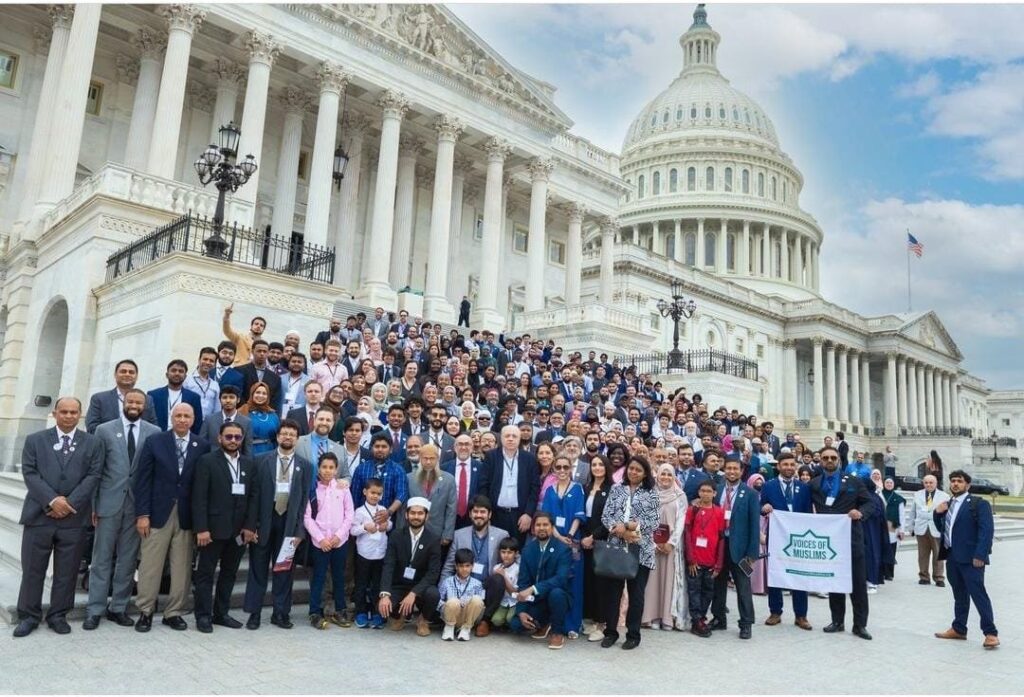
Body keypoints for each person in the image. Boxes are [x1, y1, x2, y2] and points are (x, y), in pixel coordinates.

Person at [13, 397, 103, 638]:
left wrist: (69, 503)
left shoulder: (93, 443)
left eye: (74, 412)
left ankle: (58, 615)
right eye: (64, 411)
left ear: (80, 414)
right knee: (33, 569)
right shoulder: (35, 440)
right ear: (54, 413)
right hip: (39, 515)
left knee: (67, 570)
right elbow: (30, 473)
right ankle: (29, 616)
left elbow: (94, 475)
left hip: (74, 518)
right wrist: (53, 500)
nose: (69, 416)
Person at [84, 389, 159, 630]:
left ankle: (118, 607)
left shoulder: (154, 432)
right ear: (123, 403)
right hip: (108, 502)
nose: (134, 405)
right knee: (101, 558)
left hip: (136, 506)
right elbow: (95, 470)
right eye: (130, 401)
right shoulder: (104, 430)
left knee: (127, 560)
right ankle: (94, 609)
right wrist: (94, 505)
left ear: (145, 406)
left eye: (139, 402)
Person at [132, 403, 210, 632]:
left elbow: (202, 486)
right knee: (150, 565)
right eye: (178, 415)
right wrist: (142, 514)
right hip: (157, 514)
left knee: (182, 566)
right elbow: (143, 480)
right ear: (171, 417)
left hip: (186, 516)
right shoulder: (155, 441)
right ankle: (145, 611)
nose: (183, 419)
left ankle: (173, 612)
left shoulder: (202, 446)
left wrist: (200, 522)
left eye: (187, 416)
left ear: (194, 419)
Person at [243, 419, 312, 630]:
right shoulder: (260, 460)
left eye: (292, 434)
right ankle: (254, 613)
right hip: (264, 520)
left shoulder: (305, 466)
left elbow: (303, 501)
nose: (288, 437)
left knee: (284, 570)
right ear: (278, 436)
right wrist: (250, 526)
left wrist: (300, 530)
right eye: (284, 433)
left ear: (297, 439)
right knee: (258, 568)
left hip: (289, 524)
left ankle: (281, 613)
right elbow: (252, 497)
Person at [190, 421, 257, 633]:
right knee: (205, 574)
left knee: (229, 574)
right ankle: (203, 615)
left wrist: (249, 527)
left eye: (238, 437)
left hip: (238, 532)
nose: (233, 441)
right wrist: (201, 528)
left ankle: (221, 613)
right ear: (220, 438)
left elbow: (253, 498)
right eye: (229, 437)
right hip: (212, 530)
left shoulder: (248, 464)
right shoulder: (207, 461)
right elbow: (199, 497)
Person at [809, 445, 873, 640]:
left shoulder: (854, 481)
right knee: (834, 582)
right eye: (825, 458)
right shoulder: (814, 483)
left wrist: (860, 513)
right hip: (829, 542)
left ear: (839, 460)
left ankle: (859, 625)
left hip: (851, 539)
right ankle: (837, 621)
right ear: (820, 461)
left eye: (833, 458)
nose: (829, 461)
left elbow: (869, 503)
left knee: (858, 585)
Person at [932, 470, 998, 649]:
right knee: (959, 595)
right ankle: (959, 628)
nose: (955, 484)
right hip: (952, 557)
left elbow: (987, 531)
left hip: (972, 559)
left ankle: (991, 633)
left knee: (978, 594)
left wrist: (980, 555)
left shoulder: (978, 504)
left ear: (967, 485)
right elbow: (942, 529)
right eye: (952, 481)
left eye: (959, 481)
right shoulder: (948, 504)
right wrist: (937, 514)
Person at [600, 455, 660, 650]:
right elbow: (606, 515)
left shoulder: (652, 492)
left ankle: (633, 635)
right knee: (612, 594)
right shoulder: (617, 488)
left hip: (640, 549)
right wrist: (617, 530)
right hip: (617, 547)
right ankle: (611, 632)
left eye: (638, 470)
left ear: (645, 474)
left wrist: (627, 527)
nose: (634, 472)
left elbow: (654, 521)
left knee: (636, 595)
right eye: (631, 468)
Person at [440, 495, 509, 637]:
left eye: (483, 512)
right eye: (475, 512)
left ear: (489, 514)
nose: (479, 515)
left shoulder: (501, 534)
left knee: (498, 580)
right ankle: (455, 619)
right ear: (470, 514)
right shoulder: (459, 535)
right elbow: (448, 565)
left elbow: (514, 560)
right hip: (464, 585)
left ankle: (485, 621)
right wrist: (442, 593)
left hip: (487, 585)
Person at [759, 451, 812, 629]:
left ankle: (801, 615)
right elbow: (761, 507)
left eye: (792, 465)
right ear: (779, 466)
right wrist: (763, 508)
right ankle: (775, 612)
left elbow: (807, 513)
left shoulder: (804, 488)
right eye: (785, 465)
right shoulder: (769, 486)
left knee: (799, 575)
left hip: (798, 538)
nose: (789, 468)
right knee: (776, 573)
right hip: (777, 536)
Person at [709, 456, 759, 639]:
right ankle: (718, 618)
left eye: (735, 469)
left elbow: (755, 525)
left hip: (742, 550)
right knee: (718, 584)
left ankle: (746, 623)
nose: (731, 471)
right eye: (728, 468)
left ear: (741, 471)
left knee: (743, 586)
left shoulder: (751, 494)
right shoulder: (718, 489)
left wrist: (752, 554)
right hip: (720, 546)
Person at [378, 497, 443, 637]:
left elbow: (433, 572)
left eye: (420, 513)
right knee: (382, 602)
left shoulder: (433, 539)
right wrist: (384, 594)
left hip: (421, 586)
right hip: (399, 584)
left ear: (426, 516)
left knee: (433, 594)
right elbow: (389, 564)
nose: (416, 517)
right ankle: (398, 616)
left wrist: (413, 593)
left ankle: (423, 620)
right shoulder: (396, 535)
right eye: (413, 513)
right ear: (406, 515)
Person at [305, 452, 355, 630]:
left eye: (331, 467)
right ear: (318, 468)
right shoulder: (312, 490)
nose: (327, 471)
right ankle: (314, 612)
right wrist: (321, 538)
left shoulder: (343, 489)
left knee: (339, 576)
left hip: (339, 541)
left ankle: (340, 610)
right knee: (318, 577)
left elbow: (349, 514)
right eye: (324, 467)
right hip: (320, 543)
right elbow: (307, 517)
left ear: (336, 469)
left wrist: (338, 536)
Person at [508, 512, 572, 650]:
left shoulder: (563, 549)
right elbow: (523, 583)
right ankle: (544, 623)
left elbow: (560, 579)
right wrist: (521, 611)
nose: (541, 528)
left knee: (556, 593)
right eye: (538, 525)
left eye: (545, 525)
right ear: (533, 529)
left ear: (552, 527)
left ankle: (557, 632)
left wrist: (533, 589)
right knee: (516, 625)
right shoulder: (528, 550)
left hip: (556, 597)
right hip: (536, 600)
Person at [540, 454, 586, 638]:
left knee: (574, 582)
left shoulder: (578, 489)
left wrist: (569, 535)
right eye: (558, 467)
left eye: (565, 467)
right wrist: (558, 536)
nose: (561, 471)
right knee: (554, 580)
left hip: (572, 540)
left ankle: (572, 624)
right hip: (554, 540)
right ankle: (552, 622)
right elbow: (546, 518)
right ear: (554, 469)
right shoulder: (550, 490)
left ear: (570, 469)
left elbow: (579, 514)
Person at [643, 462, 687, 631]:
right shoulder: (650, 494)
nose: (666, 477)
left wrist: (671, 543)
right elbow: (645, 519)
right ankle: (651, 616)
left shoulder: (680, 495)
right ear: (657, 476)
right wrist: (654, 543)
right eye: (663, 474)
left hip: (671, 547)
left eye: (669, 474)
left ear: (674, 476)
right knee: (652, 582)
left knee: (669, 581)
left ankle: (666, 618)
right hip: (652, 546)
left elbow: (681, 520)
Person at [479, 424, 539, 542]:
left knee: (517, 552)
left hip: (520, 516)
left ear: (519, 439)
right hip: (496, 515)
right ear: (501, 438)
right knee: (495, 550)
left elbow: (535, 488)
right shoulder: (491, 456)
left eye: (514, 436)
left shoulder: (529, 459)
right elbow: (483, 486)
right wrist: (486, 514)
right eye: (507, 436)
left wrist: (528, 514)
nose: (511, 439)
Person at [684, 481, 727, 638]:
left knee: (708, 592)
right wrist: (690, 559)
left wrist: (719, 563)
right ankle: (696, 621)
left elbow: (722, 539)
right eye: (702, 490)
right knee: (694, 590)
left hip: (711, 560)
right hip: (695, 560)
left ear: (715, 493)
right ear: (698, 492)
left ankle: (701, 617)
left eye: (709, 491)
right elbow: (687, 535)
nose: (705, 494)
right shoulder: (692, 510)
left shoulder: (720, 512)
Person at [350, 478, 392, 628]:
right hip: (364, 554)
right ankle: (360, 612)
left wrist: (386, 525)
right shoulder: (360, 511)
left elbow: (390, 524)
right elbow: (353, 530)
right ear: (365, 492)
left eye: (378, 494)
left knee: (377, 585)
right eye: (372, 493)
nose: (375, 496)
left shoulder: (383, 510)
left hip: (380, 553)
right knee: (361, 584)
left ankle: (376, 612)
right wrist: (365, 528)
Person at [581, 455, 612, 641]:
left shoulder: (612, 490)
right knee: (589, 581)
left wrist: (593, 537)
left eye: (601, 464)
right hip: (585, 541)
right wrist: (585, 538)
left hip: (602, 540)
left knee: (602, 583)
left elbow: (610, 519)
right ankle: (591, 619)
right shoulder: (586, 488)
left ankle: (602, 623)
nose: (597, 467)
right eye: (594, 464)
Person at [85, 359, 157, 433]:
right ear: (115, 375)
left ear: (136, 376)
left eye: (131, 372)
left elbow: (153, 426)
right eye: (123, 371)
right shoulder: (99, 399)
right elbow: (92, 426)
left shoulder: (147, 399)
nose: (127, 374)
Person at [406, 443, 457, 546]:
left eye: (432, 458)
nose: (428, 462)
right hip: (413, 532)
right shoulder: (409, 478)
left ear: (437, 458)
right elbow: (403, 508)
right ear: (420, 458)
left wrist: (447, 534)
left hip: (437, 534)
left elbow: (451, 509)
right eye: (425, 458)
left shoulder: (449, 480)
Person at [908, 474, 949, 586]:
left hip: (936, 528)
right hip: (921, 528)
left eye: (931, 482)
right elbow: (913, 512)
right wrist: (911, 527)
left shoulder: (944, 496)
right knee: (922, 555)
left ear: (936, 483)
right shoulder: (917, 495)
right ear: (923, 483)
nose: (928, 484)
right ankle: (924, 577)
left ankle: (939, 578)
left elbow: (946, 514)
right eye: (926, 482)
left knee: (938, 554)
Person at [439, 548, 486, 641]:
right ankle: (449, 628)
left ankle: (466, 629)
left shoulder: (477, 583)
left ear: (472, 566)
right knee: (453, 601)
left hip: (467, 616)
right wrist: (448, 605)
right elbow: (439, 600)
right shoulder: (447, 581)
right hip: (451, 614)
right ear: (456, 566)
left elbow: (480, 604)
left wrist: (467, 603)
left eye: (467, 566)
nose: (464, 569)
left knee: (477, 599)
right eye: (461, 566)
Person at [148, 359, 204, 434]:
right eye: (173, 370)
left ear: (185, 376)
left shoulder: (194, 397)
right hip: (158, 437)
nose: (177, 373)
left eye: (181, 371)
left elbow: (197, 424)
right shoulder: (153, 395)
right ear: (167, 374)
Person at [441, 433, 484, 530]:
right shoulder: (444, 468)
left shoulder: (481, 468)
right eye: (460, 444)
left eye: (467, 444)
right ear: (455, 448)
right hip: (449, 517)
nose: (463, 447)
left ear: (472, 447)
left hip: (473, 517)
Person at [201, 385, 252, 455]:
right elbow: (202, 444)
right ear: (220, 400)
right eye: (224, 397)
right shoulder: (209, 420)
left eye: (231, 397)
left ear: (238, 400)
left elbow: (247, 449)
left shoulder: (246, 422)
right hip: (212, 462)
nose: (228, 401)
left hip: (236, 462)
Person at [238, 340, 284, 413]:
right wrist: (246, 409)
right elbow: (238, 393)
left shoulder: (275, 378)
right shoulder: (239, 371)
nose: (262, 354)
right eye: (259, 351)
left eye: (265, 351)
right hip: (243, 413)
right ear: (252, 352)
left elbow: (275, 401)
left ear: (268, 353)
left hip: (265, 415)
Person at [239, 382, 280, 456]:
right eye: (257, 392)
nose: (261, 395)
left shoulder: (273, 414)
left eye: (264, 393)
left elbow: (278, 436)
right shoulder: (243, 411)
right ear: (252, 394)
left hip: (271, 453)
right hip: (250, 453)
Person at [490, 537, 520, 630]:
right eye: (503, 552)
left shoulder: (518, 569)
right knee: (496, 620)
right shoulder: (496, 568)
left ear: (516, 554)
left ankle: (510, 623)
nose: (506, 555)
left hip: (515, 602)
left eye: (510, 552)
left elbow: (515, 593)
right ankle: (503, 624)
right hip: (502, 602)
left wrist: (503, 577)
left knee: (510, 618)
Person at [183, 347, 221, 420]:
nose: (207, 362)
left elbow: (217, 409)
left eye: (211, 361)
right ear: (199, 360)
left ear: (215, 364)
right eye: (205, 359)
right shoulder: (187, 380)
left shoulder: (215, 385)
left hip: (207, 424)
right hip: (188, 422)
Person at [881, 477, 906, 581]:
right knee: (881, 549)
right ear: (883, 483)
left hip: (892, 526)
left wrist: (902, 530)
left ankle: (889, 573)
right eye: (887, 482)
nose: (889, 484)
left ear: (894, 484)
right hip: (880, 525)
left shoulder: (898, 498)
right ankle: (880, 572)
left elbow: (902, 515)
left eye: (891, 482)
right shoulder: (879, 495)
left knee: (891, 550)